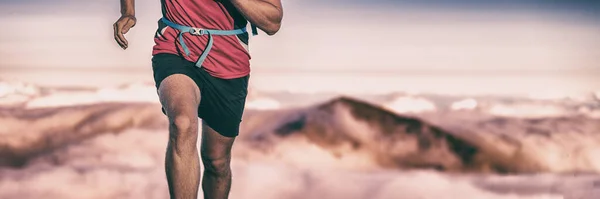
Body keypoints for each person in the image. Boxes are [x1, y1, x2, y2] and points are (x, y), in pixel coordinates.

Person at [112, 0, 283, 198]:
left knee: (217, 161)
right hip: (175, 46)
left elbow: (273, 22)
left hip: (229, 60)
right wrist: (128, 12)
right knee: (182, 123)